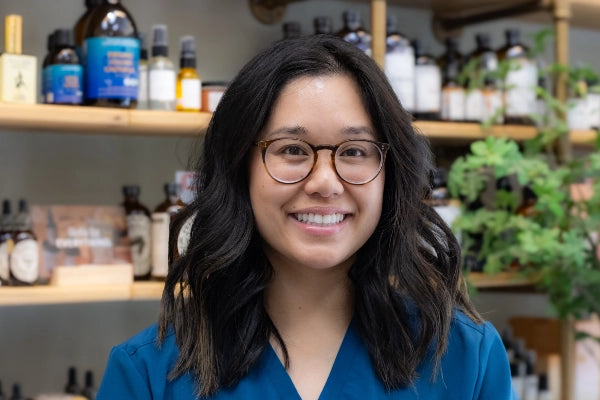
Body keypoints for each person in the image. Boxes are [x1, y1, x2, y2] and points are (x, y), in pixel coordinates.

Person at [97, 35, 515, 399]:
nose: (325, 183)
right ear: (239, 170)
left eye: (354, 152)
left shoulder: (464, 358)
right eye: (292, 150)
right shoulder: (149, 376)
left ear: (391, 176)